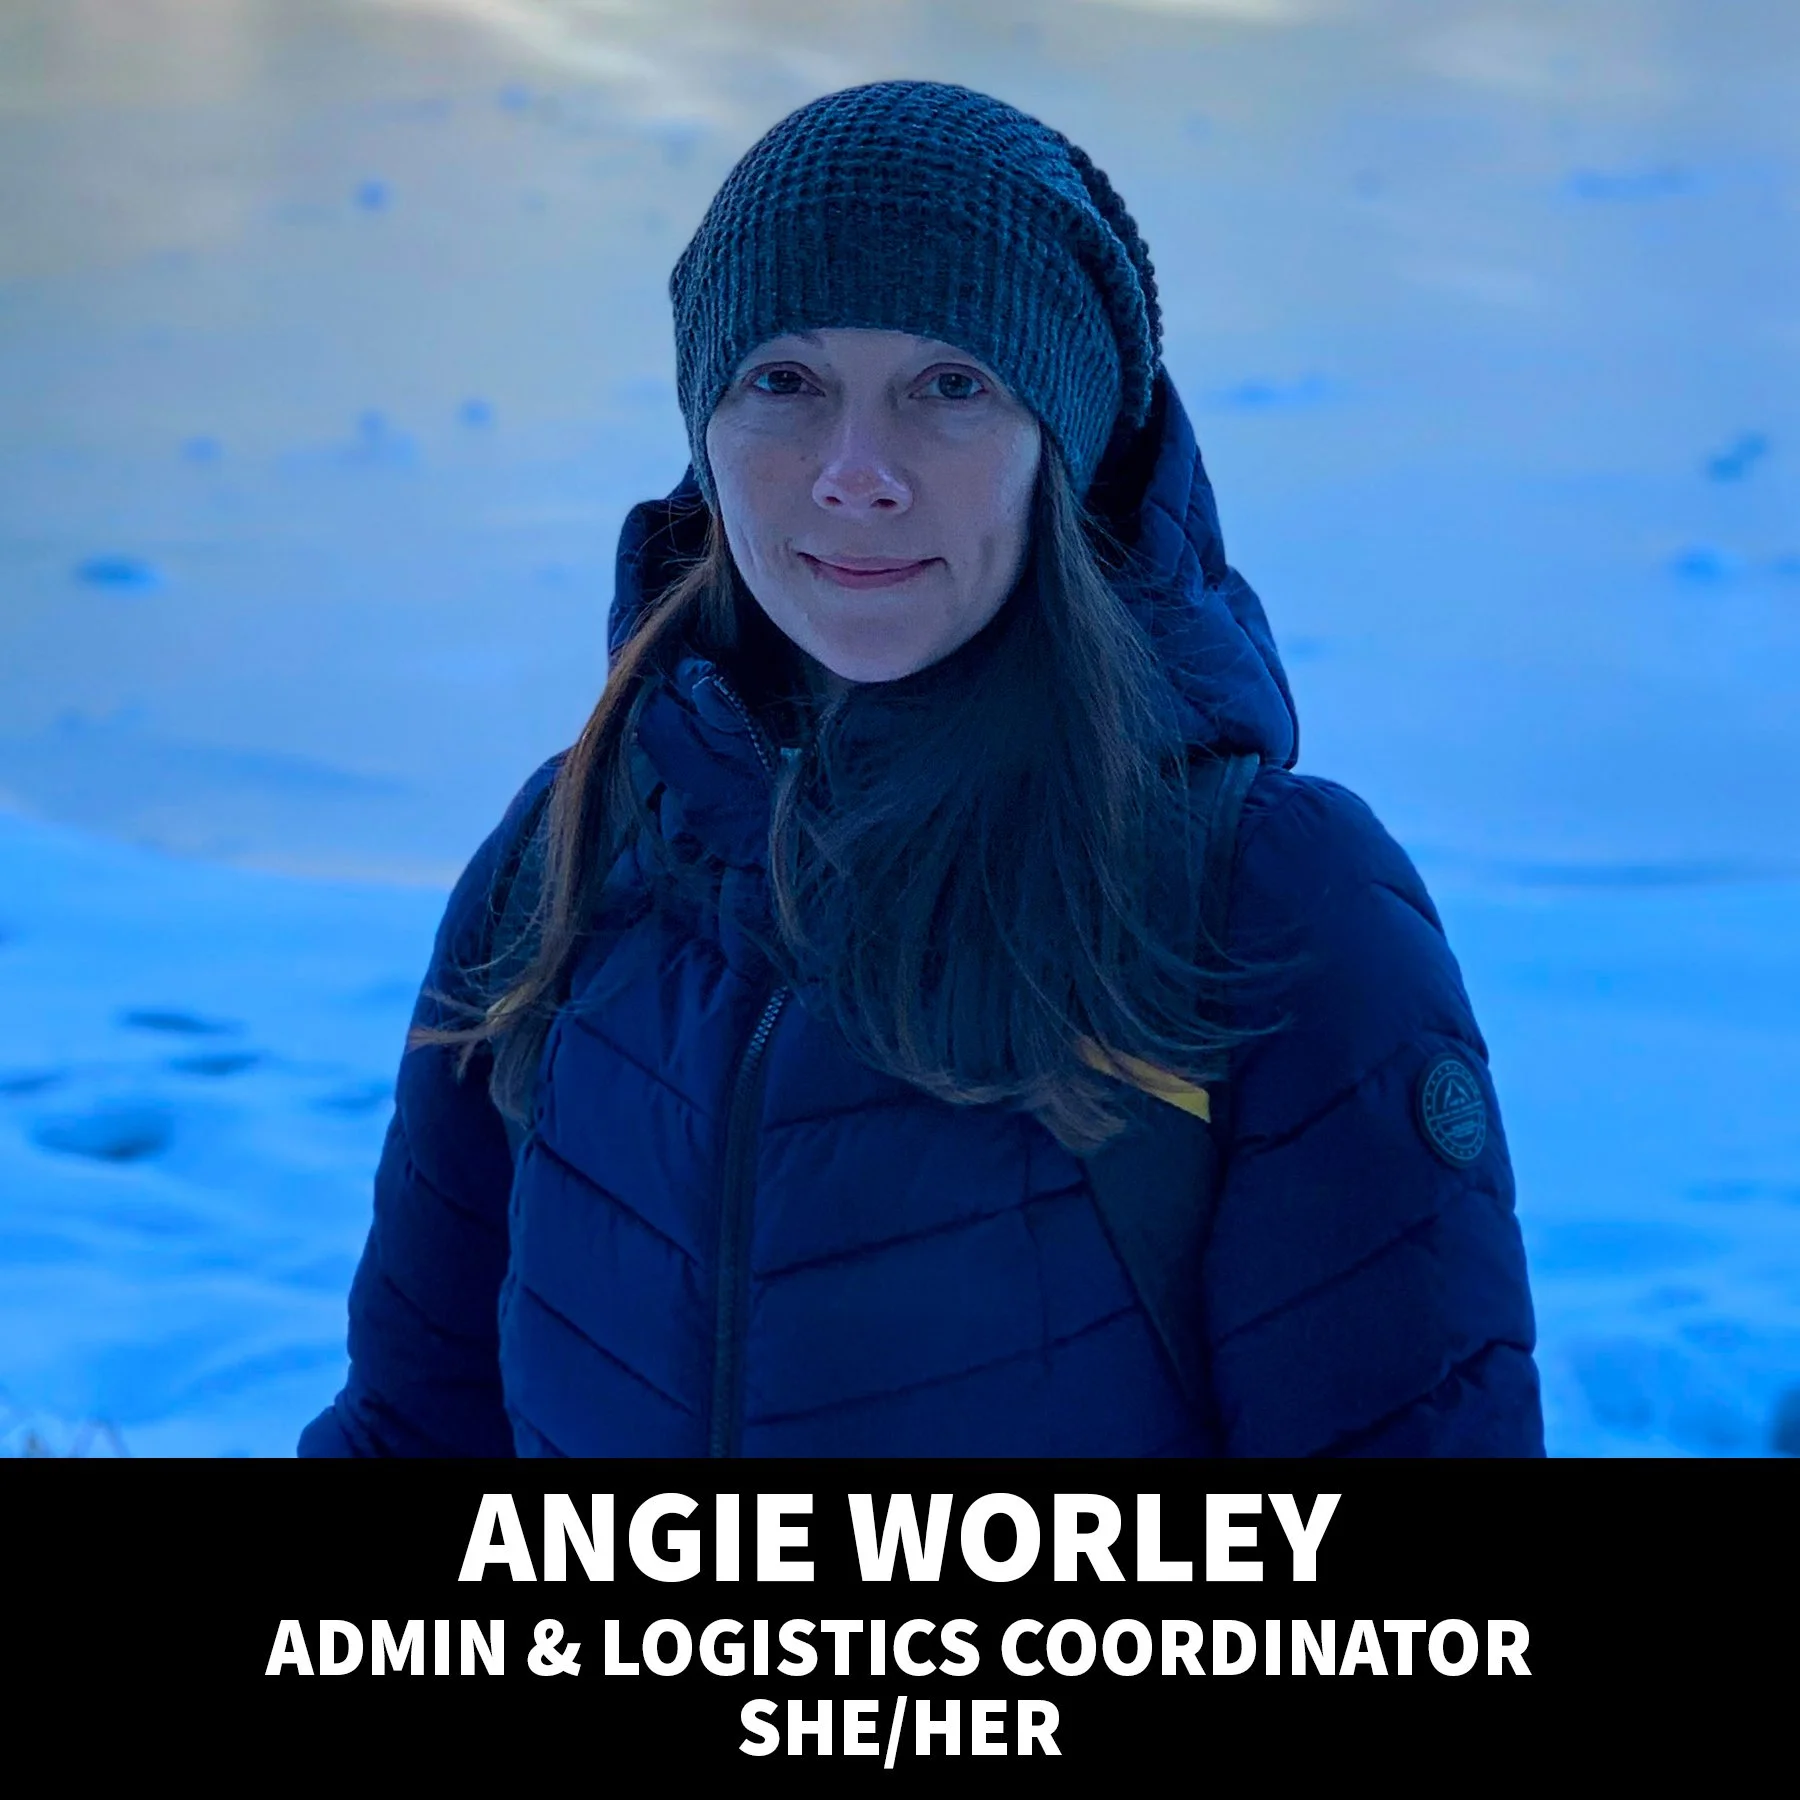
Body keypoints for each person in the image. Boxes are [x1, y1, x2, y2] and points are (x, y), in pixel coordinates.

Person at [299, 80, 1543, 1458]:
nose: (855, 473)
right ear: (703, 433)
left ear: (1061, 450)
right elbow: (414, 1435)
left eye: (950, 386)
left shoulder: (1271, 904)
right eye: (785, 380)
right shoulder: (569, 852)